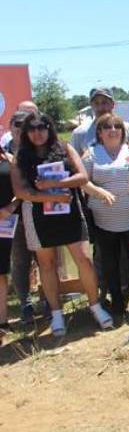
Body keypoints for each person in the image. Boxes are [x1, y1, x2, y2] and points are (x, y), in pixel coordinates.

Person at [12, 112, 112, 336]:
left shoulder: (65, 147)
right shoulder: (20, 156)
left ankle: (95, 306)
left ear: (50, 128)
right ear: (26, 132)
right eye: (32, 128)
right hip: (37, 216)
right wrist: (50, 196)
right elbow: (21, 191)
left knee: (84, 261)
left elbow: (83, 177)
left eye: (42, 127)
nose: (38, 133)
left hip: (69, 212)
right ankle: (57, 314)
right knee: (47, 265)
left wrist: (56, 183)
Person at [80, 113, 129, 315]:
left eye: (116, 127)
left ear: (123, 131)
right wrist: (99, 192)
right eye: (107, 127)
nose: (112, 131)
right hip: (104, 219)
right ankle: (116, 299)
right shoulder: (90, 154)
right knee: (109, 259)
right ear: (99, 133)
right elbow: (83, 181)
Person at [5, 110, 38, 322]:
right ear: (10, 126)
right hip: (12, 216)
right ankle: (25, 303)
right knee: (20, 259)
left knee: (44, 259)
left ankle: (47, 300)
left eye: (25, 124)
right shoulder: (3, 152)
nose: (20, 128)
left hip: (37, 211)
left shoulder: (35, 150)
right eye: (17, 123)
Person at [70, 88, 129, 156]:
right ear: (91, 106)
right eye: (96, 103)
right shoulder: (80, 133)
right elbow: (73, 161)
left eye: (104, 102)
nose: (100, 108)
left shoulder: (127, 128)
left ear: (113, 104)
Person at [0, 137, 19, 340]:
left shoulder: (8, 157)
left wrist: (11, 207)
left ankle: (2, 322)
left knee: (0, 273)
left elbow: (21, 190)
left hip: (4, 222)